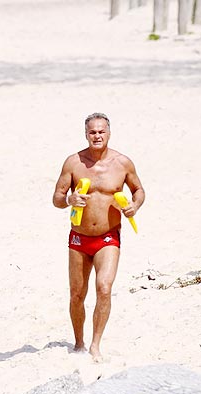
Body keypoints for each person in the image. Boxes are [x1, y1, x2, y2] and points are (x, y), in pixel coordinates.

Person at [52, 113, 145, 362]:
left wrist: (134, 207)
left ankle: (95, 344)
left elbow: (138, 190)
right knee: (76, 294)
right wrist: (69, 200)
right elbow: (57, 199)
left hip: (108, 237)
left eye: (101, 131)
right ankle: (79, 342)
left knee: (104, 288)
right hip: (79, 238)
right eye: (92, 132)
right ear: (86, 134)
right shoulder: (73, 163)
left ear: (109, 133)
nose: (97, 136)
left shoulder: (122, 163)